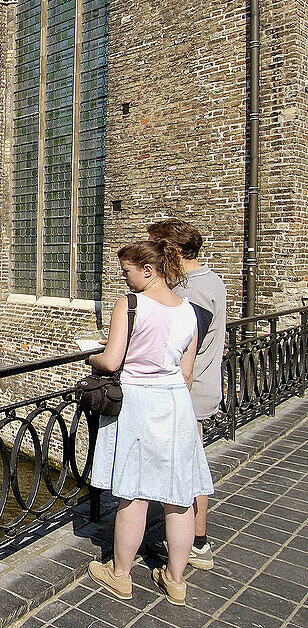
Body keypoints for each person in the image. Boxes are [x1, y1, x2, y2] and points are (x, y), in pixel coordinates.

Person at [86, 240, 214, 606]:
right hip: (176, 400)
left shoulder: (130, 305)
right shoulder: (190, 311)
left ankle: (120, 575)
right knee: (180, 496)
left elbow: (112, 362)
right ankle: (176, 580)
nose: (123, 279)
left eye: (126, 271)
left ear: (148, 269)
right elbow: (187, 373)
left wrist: (93, 358)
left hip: (139, 401)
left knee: (134, 491)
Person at [148, 219, 226, 570]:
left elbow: (181, 350)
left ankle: (194, 544)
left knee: (188, 470)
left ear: (174, 251)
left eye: (156, 249)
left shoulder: (192, 294)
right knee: (194, 464)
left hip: (189, 394)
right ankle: (198, 540)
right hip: (202, 389)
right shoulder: (212, 280)